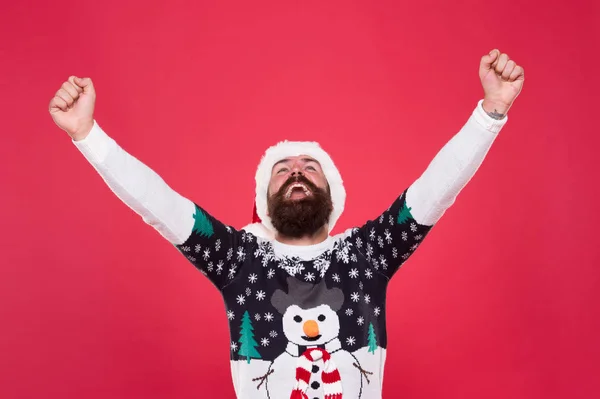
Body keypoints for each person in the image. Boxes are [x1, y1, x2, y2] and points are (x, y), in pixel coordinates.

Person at [49, 49, 524, 399]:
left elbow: (435, 190)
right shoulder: (238, 259)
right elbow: (158, 203)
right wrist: (88, 135)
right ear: (265, 197)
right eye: (283, 169)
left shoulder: (367, 254)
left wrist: (491, 112)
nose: (297, 170)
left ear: (332, 194)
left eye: (309, 166)